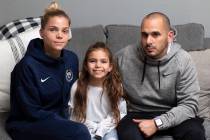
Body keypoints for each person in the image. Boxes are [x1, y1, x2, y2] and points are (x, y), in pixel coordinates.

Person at [6, 1, 91, 140]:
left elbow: (72, 94)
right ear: (42, 32)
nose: (60, 35)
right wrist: (66, 123)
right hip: (28, 122)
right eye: (53, 29)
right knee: (80, 132)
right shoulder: (26, 67)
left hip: (59, 118)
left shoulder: (72, 59)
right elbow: (31, 112)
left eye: (65, 31)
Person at [116, 12, 206, 140]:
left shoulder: (183, 60)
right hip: (136, 114)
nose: (148, 41)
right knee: (128, 136)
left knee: (195, 133)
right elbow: (103, 80)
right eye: (144, 35)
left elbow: (189, 105)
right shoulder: (124, 56)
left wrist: (157, 123)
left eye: (155, 34)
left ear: (170, 36)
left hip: (174, 112)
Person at [69, 42, 127, 140]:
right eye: (92, 61)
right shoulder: (77, 86)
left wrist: (101, 129)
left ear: (110, 67)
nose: (98, 65)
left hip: (107, 128)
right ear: (86, 66)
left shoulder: (116, 86)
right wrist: (93, 127)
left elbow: (119, 113)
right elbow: (74, 115)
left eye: (103, 61)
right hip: (84, 128)